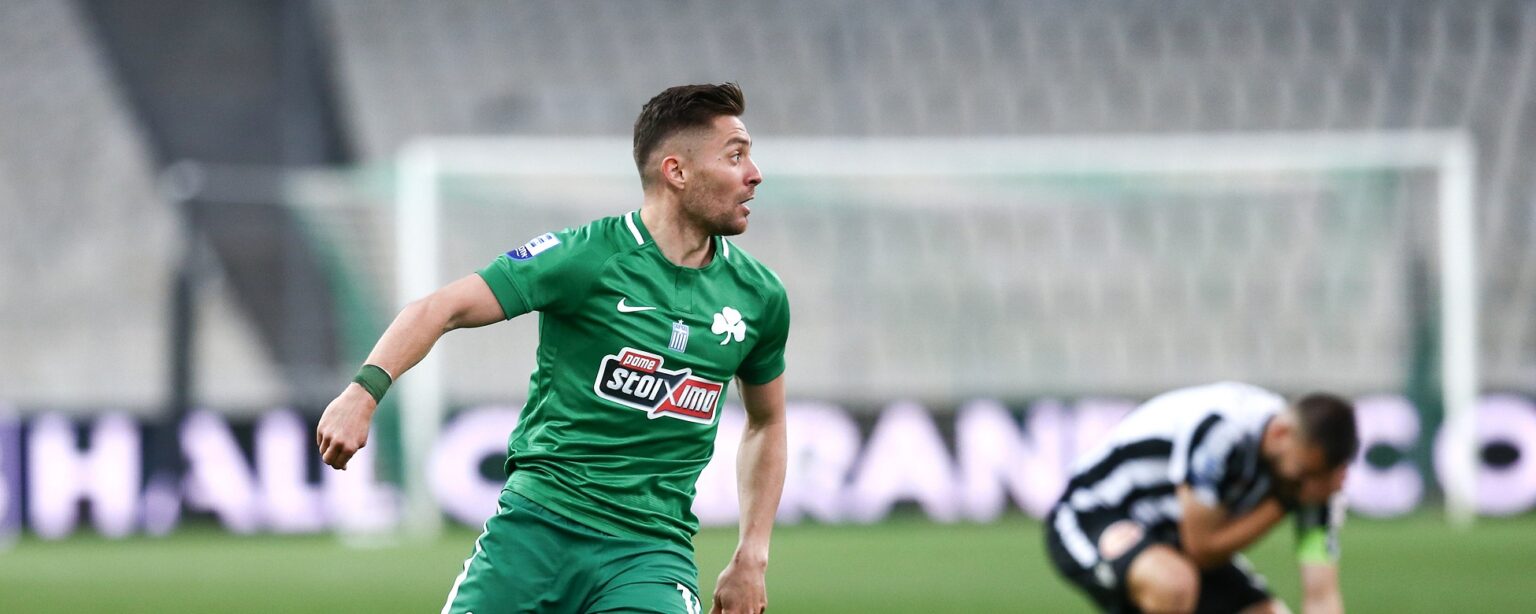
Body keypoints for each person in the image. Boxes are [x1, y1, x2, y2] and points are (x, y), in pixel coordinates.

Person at [316, 82, 787, 614]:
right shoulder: (584, 258)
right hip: (536, 532)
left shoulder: (759, 298)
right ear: (676, 172)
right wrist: (363, 392)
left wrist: (752, 555)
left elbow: (767, 421)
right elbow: (439, 308)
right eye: (735, 156)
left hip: (651, 553)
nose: (754, 173)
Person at [1045, 382, 1357, 614]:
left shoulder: (1316, 481)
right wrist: (1284, 503)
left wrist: (1300, 495)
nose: (1306, 487)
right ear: (1280, 434)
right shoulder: (1223, 430)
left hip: (1171, 532)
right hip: (1093, 513)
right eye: (1301, 475)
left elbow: (1322, 595)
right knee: (1172, 585)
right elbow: (1201, 548)